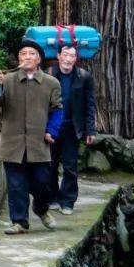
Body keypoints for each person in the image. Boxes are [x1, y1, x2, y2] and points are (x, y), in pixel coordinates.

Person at [0, 38, 63, 235]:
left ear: (39, 59)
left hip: (39, 143)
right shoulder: (7, 80)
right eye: (23, 54)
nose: (27, 57)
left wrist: (52, 131)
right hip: (12, 143)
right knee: (16, 185)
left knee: (42, 184)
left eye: (32, 54)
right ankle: (19, 222)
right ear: (18, 59)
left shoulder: (51, 83)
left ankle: (40, 208)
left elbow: (57, 110)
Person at [48, 44, 96, 215]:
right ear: (58, 55)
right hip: (51, 128)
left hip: (72, 127)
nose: (68, 59)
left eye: (72, 56)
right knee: (50, 164)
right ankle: (52, 197)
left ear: (76, 59)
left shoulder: (84, 77)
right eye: (65, 55)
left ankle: (67, 201)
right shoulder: (49, 74)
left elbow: (90, 104)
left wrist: (90, 130)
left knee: (70, 166)